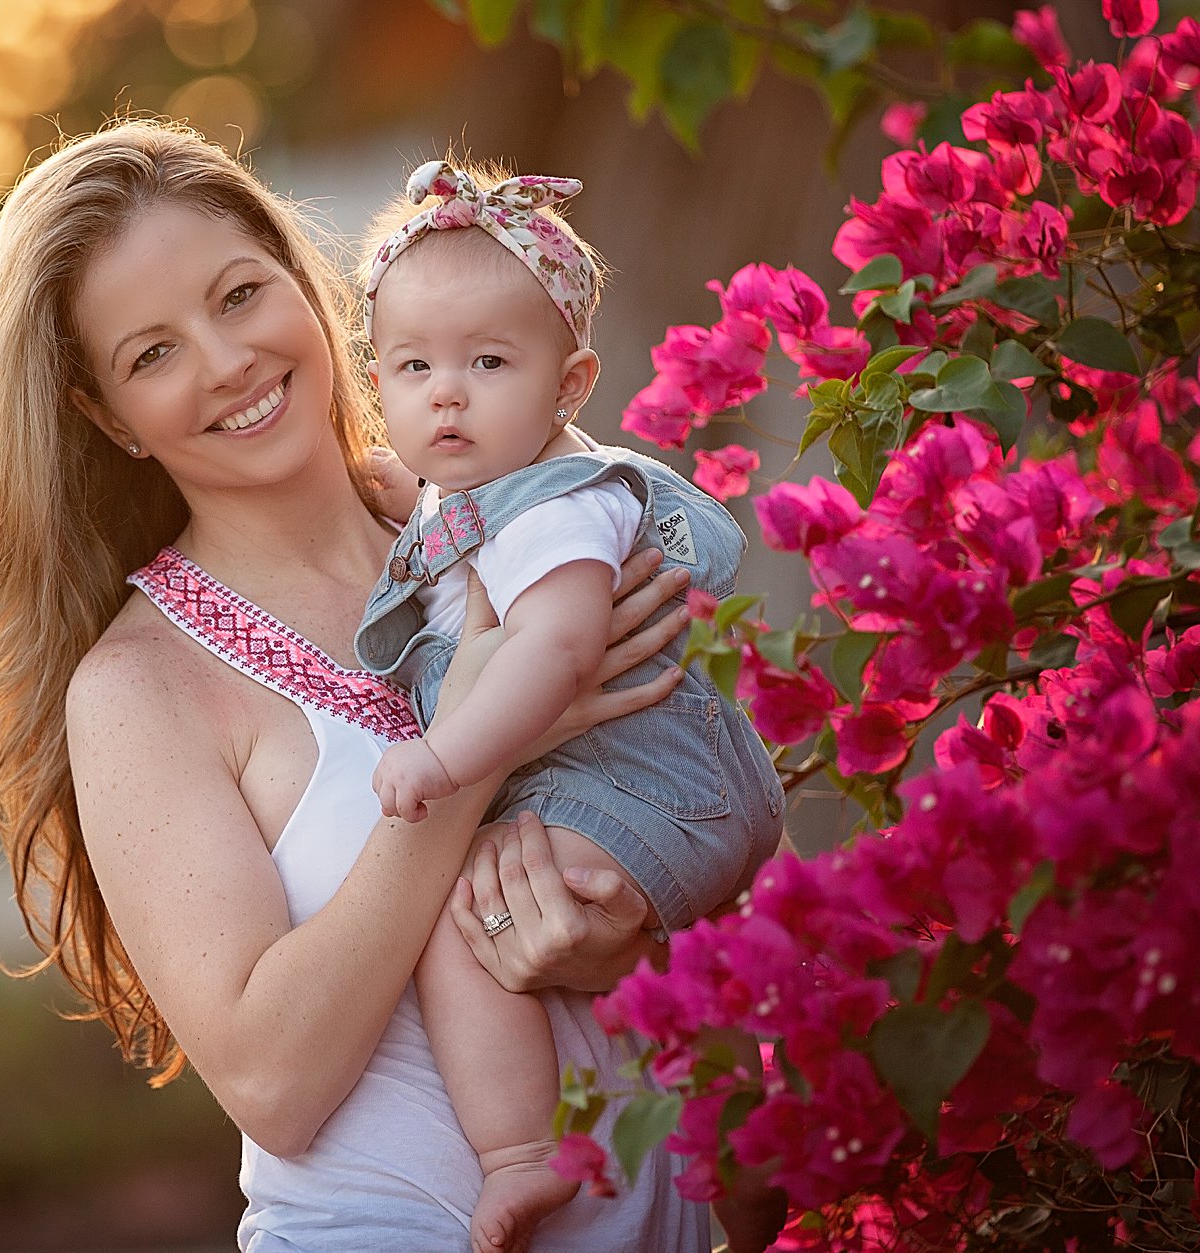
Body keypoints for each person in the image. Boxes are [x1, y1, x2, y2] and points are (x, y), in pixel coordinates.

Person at [0, 119, 717, 1252]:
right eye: (152, 353)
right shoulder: (140, 687)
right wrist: (476, 750)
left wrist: (626, 927)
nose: (224, 360)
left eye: (237, 295)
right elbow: (273, 1080)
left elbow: (693, 806)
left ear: (305, 284)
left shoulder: (514, 531)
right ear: (104, 417)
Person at [354, 161, 786, 1253]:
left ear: (570, 381)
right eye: (412, 367)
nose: (444, 393)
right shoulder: (486, 494)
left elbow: (551, 652)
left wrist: (448, 756)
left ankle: (520, 1155)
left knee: (455, 928)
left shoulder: (559, 510)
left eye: (486, 362)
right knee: (484, 921)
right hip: (634, 782)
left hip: (641, 784)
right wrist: (404, 498)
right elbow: (462, 544)